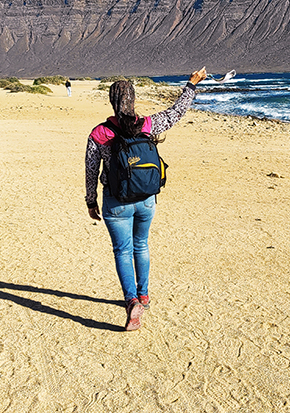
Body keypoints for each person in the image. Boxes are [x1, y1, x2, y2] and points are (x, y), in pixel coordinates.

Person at [85, 68, 207, 330]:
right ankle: (144, 295)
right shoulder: (148, 125)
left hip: (116, 201)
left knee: (123, 250)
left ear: (111, 102)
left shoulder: (99, 133)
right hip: (146, 199)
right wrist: (191, 84)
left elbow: (91, 169)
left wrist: (90, 200)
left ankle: (131, 301)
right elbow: (177, 112)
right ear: (134, 99)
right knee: (141, 245)